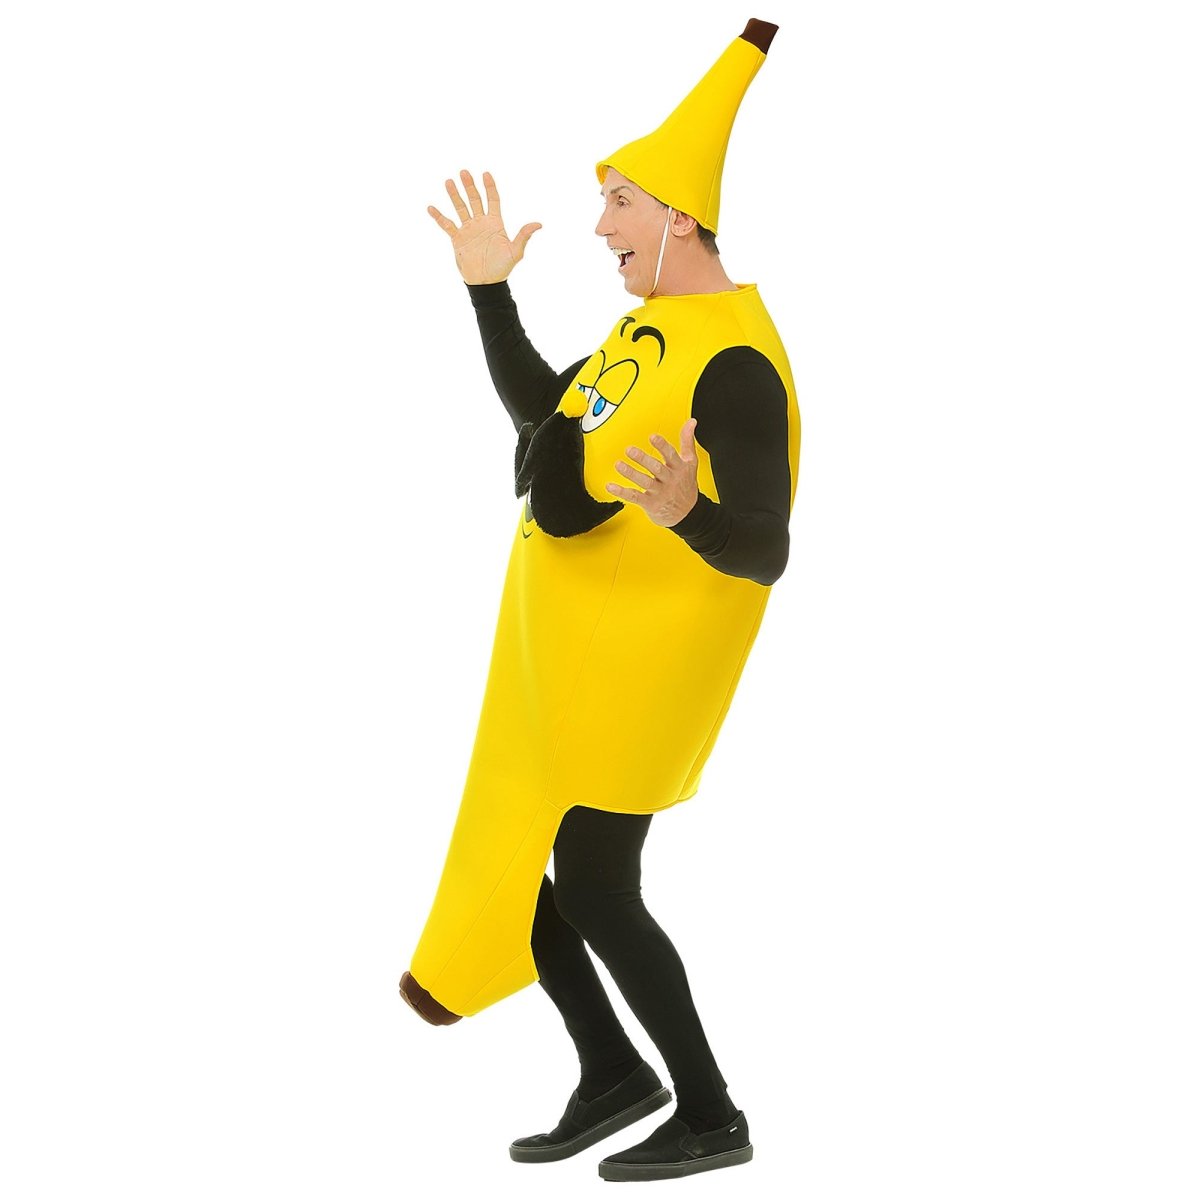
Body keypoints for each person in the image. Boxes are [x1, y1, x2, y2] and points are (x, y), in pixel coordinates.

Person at [400, 19, 800, 1182]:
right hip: (566, 657)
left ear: (678, 216)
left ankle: (712, 1113)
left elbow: (766, 550)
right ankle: (615, 1075)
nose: (600, 225)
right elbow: (552, 419)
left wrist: (686, 512)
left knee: (593, 882)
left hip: (640, 674)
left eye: (619, 203)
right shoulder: (649, 332)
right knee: (535, 862)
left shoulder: (733, 359)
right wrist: (489, 296)